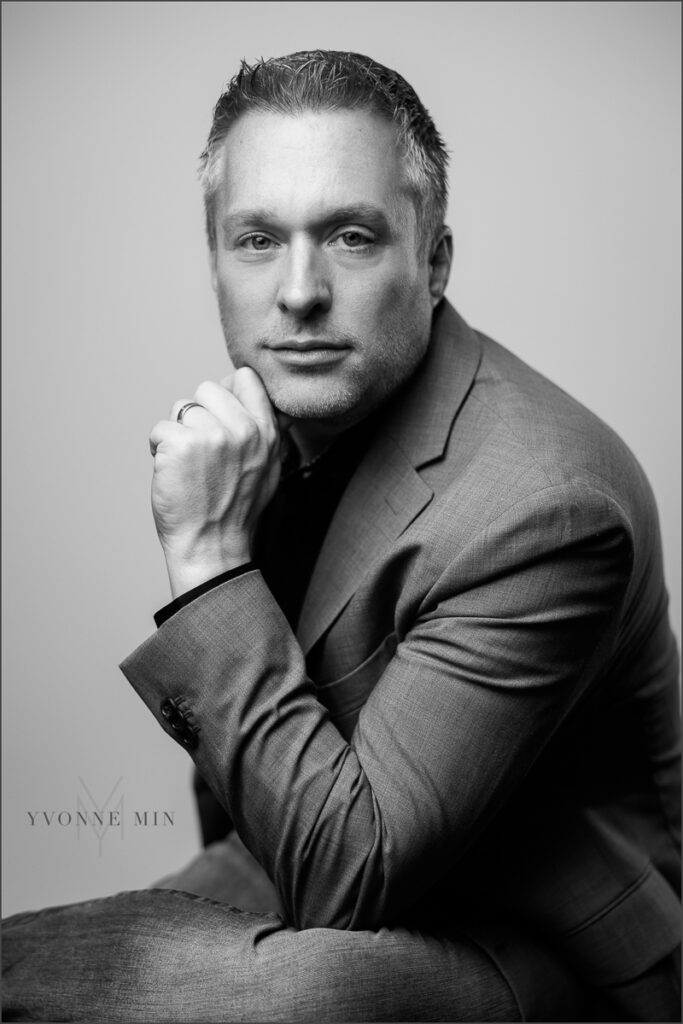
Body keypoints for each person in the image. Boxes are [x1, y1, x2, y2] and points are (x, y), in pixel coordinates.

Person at [2, 49, 680, 1023]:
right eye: (256, 240)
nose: (299, 290)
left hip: (538, 947)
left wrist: (205, 559)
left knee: (252, 989)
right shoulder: (268, 429)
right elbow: (263, 810)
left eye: (352, 237)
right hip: (312, 862)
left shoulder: (546, 505)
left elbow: (347, 877)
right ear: (217, 262)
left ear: (434, 261)